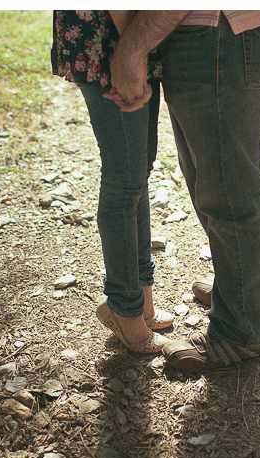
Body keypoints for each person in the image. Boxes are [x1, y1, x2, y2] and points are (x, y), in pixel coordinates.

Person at [108, 10, 260, 371]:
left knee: (227, 184)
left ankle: (242, 330)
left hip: (220, 29)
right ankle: (254, 294)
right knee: (212, 175)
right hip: (220, 27)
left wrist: (131, 51)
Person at [51, 10, 173, 353]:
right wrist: (130, 52)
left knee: (138, 174)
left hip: (129, 38)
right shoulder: (122, 43)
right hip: (112, 39)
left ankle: (141, 300)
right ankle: (123, 308)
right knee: (124, 181)